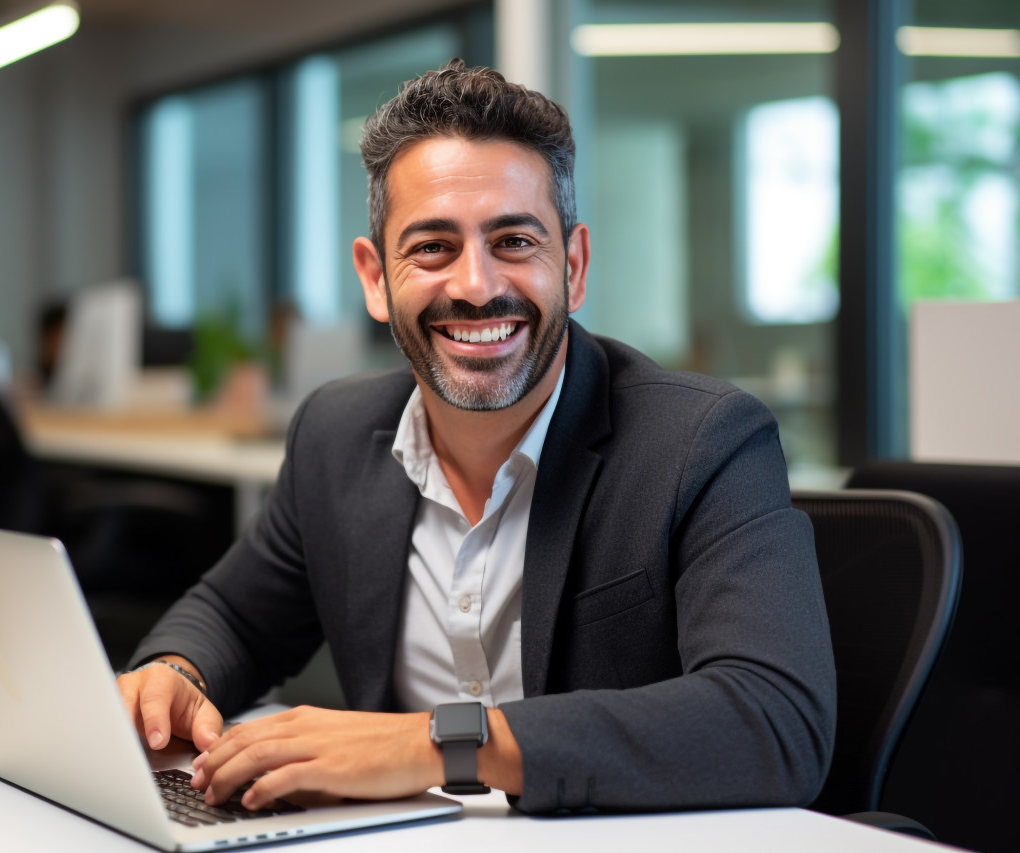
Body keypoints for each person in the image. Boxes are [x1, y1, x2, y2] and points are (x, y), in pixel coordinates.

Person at [117, 59, 835, 816]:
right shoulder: (336, 434)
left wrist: (435, 741)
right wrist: (175, 672)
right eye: (432, 247)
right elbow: (233, 615)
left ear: (576, 264)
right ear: (374, 277)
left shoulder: (701, 441)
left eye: (516, 241)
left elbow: (774, 719)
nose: (475, 285)